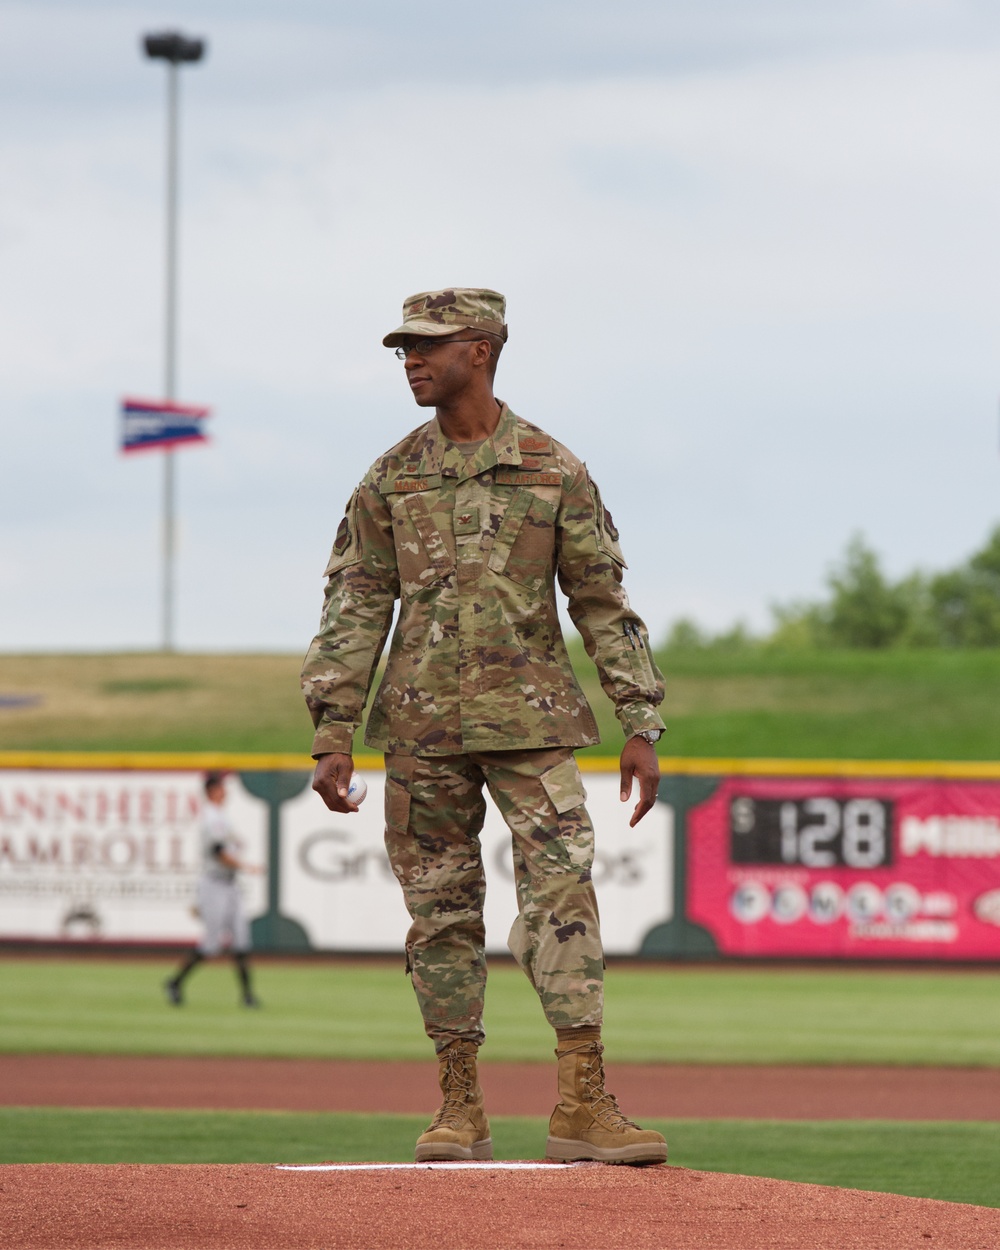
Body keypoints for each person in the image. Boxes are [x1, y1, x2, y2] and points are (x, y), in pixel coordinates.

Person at [302, 288, 666, 1165]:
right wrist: (331, 729)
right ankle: (458, 1105)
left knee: (563, 900)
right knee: (438, 914)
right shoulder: (391, 477)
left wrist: (640, 719)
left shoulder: (554, 470)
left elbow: (602, 602)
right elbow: (354, 605)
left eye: (427, 347)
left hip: (533, 726)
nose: (411, 362)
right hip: (421, 728)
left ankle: (582, 1100)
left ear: (482, 347)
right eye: (402, 351)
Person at [163, 772, 261, 1008]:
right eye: (222, 788)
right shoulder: (211, 818)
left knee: (241, 941)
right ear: (213, 791)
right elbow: (219, 851)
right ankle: (175, 982)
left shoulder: (222, 818)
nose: (226, 791)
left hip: (230, 885)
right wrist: (246, 866)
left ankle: (247, 996)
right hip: (213, 884)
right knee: (212, 944)